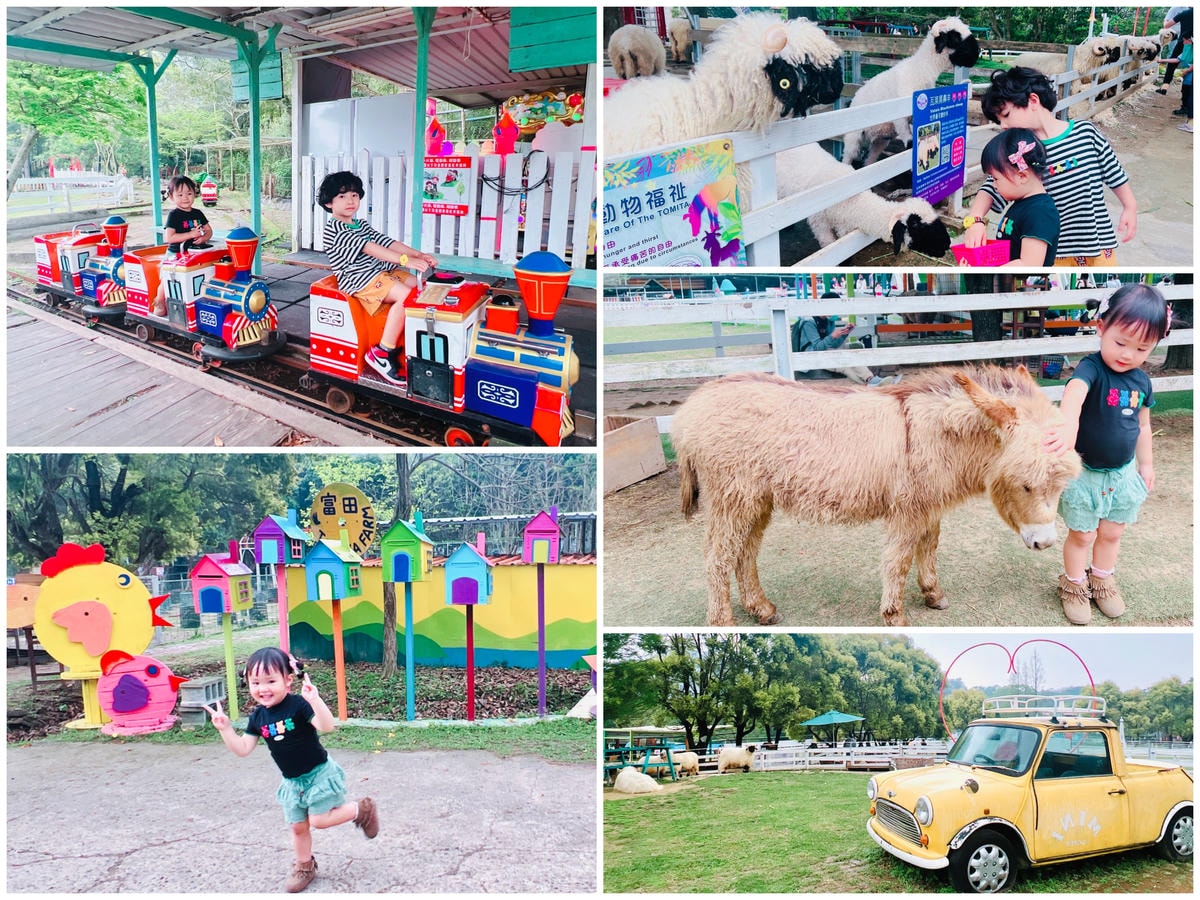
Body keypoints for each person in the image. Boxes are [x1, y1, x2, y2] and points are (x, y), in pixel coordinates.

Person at [1042, 284, 1170, 625]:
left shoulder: (1142, 382)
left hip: (1122, 474)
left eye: (1142, 347)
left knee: (1113, 532)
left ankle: (1102, 579)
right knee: (1082, 534)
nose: (1128, 354)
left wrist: (1147, 463)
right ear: (1101, 328)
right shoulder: (1091, 369)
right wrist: (1068, 425)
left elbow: (1143, 425)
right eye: (1120, 342)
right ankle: (1073, 584)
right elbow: (1074, 393)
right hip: (1085, 474)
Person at [205, 647, 380, 893]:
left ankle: (361, 809)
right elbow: (243, 749)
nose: (262, 688)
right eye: (255, 682)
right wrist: (225, 730)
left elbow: (326, 726)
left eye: (270, 681)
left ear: (288, 680)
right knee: (298, 827)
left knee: (318, 820)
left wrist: (315, 700)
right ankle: (304, 866)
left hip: (318, 774)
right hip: (292, 783)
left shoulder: (298, 705)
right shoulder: (257, 717)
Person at [963, 67, 1136, 267]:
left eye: (1006, 115)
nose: (1003, 125)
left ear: (1033, 101)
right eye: (999, 120)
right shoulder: (1020, 151)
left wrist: (1130, 206)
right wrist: (974, 221)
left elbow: (1113, 172)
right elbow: (992, 188)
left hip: (1098, 249)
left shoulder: (1085, 134)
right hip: (1051, 254)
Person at [318, 170, 437, 386]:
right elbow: (371, 248)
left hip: (382, 272)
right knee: (408, 297)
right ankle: (382, 352)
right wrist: (405, 261)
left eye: (354, 195)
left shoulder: (361, 225)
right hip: (360, 280)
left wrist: (418, 255)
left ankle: (418, 345)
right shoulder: (334, 229)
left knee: (423, 288)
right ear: (329, 203)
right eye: (342, 196)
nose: (350, 201)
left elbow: (387, 242)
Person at [977, 128, 1059, 266]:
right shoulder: (1024, 203)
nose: (994, 185)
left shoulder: (1040, 212)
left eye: (996, 179)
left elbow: (1029, 264)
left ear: (1022, 176)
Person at [792, 295, 895, 385]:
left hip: (825, 353)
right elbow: (817, 347)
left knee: (846, 367)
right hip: (810, 356)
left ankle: (871, 383)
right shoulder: (809, 322)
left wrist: (844, 334)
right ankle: (872, 380)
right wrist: (833, 336)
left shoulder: (828, 321)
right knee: (846, 359)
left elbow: (833, 345)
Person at [151, 175, 213, 316]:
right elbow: (170, 237)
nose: (185, 197)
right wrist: (191, 235)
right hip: (175, 255)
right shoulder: (174, 215)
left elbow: (209, 230)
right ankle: (159, 302)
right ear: (172, 196)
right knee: (166, 280)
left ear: (195, 195)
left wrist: (204, 238)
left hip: (194, 254)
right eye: (180, 194)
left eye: (189, 193)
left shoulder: (198, 213)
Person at [1160, 34, 1194, 131]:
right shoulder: (1187, 50)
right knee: (1186, 95)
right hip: (1188, 77)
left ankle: (1191, 124)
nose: (1183, 43)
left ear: (1190, 40)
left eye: (1184, 41)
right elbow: (1177, 59)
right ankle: (1189, 121)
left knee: (1191, 98)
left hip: (1191, 77)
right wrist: (1161, 60)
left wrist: (1185, 72)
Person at [1159, 7, 1194, 92]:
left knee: (1172, 65)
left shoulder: (1185, 13)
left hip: (1183, 41)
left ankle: (1164, 87)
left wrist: (1165, 21)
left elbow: (1166, 26)